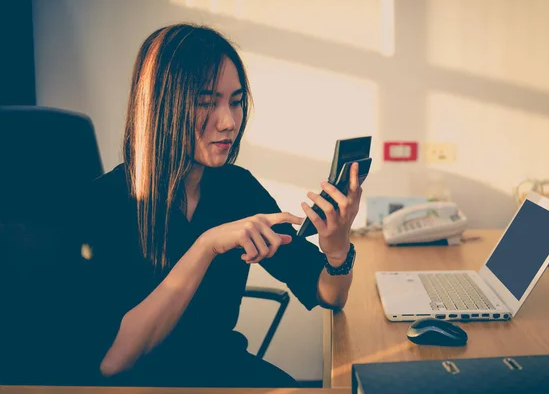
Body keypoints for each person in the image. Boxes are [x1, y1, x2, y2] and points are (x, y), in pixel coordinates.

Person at [75, 23, 362, 388]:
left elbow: (328, 295)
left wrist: (337, 251)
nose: (228, 122)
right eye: (206, 103)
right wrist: (207, 246)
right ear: (164, 107)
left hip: (221, 370)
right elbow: (114, 361)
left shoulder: (237, 188)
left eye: (236, 102)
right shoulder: (104, 203)